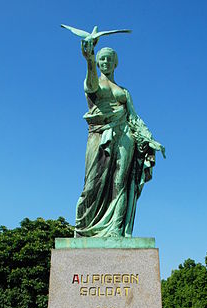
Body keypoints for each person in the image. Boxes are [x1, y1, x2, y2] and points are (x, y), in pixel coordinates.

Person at [75, 41, 165, 237]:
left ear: (115, 63)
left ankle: (116, 229)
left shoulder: (124, 91)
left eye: (109, 58)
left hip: (125, 134)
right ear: (98, 63)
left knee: (120, 183)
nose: (105, 61)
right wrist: (89, 58)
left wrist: (150, 139)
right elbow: (91, 85)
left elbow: (133, 117)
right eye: (102, 59)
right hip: (99, 134)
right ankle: (84, 231)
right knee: (91, 184)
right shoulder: (93, 82)